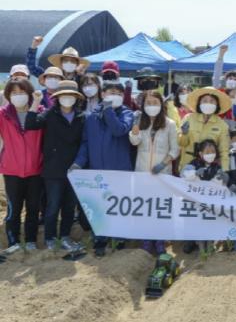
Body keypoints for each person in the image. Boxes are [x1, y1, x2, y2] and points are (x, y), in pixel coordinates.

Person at [71, 80, 134, 257]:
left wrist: (108, 111)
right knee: (100, 206)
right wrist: (78, 162)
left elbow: (118, 130)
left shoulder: (127, 114)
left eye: (119, 94)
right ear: (103, 94)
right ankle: (100, 238)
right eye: (111, 92)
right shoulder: (91, 117)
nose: (116, 96)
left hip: (120, 171)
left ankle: (119, 238)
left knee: (118, 206)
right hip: (97, 171)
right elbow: (86, 143)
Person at [25, 80, 85, 252]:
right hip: (53, 169)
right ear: (57, 97)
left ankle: (65, 236)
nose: (67, 98)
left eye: (71, 95)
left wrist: (80, 162)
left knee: (69, 206)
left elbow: (84, 142)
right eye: (63, 95)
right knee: (52, 206)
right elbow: (30, 124)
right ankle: (49, 238)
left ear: (76, 97)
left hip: (74, 169)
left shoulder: (82, 117)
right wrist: (36, 101)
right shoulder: (50, 114)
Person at [129, 90, 179, 255]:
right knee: (145, 208)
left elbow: (175, 150)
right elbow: (134, 142)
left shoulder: (170, 124)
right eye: (148, 103)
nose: (152, 106)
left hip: (162, 174)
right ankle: (146, 240)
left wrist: (163, 164)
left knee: (160, 209)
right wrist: (134, 130)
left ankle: (160, 241)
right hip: (142, 173)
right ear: (143, 106)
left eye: (155, 103)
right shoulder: (140, 122)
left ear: (161, 105)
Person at [0, 79, 44, 253]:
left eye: (22, 92)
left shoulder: (41, 113)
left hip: (36, 169)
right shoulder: (3, 115)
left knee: (33, 208)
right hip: (11, 169)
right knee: (14, 208)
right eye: (14, 93)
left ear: (30, 94)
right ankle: (13, 241)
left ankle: (31, 240)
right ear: (8, 96)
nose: (18, 96)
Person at [180, 139, 234, 254]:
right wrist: (194, 173)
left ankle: (210, 243)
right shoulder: (193, 164)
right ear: (200, 153)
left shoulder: (216, 166)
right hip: (195, 201)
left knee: (209, 220)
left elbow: (221, 183)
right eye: (207, 152)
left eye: (213, 152)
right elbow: (183, 175)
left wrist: (227, 181)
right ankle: (191, 241)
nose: (210, 155)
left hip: (210, 202)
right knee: (194, 221)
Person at [178, 87, 231, 170]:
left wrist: (225, 171)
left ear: (217, 104)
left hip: (209, 168)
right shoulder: (188, 118)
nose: (208, 103)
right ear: (199, 103)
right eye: (205, 101)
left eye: (212, 101)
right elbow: (182, 144)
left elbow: (224, 151)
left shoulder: (222, 125)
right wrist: (184, 134)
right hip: (187, 165)